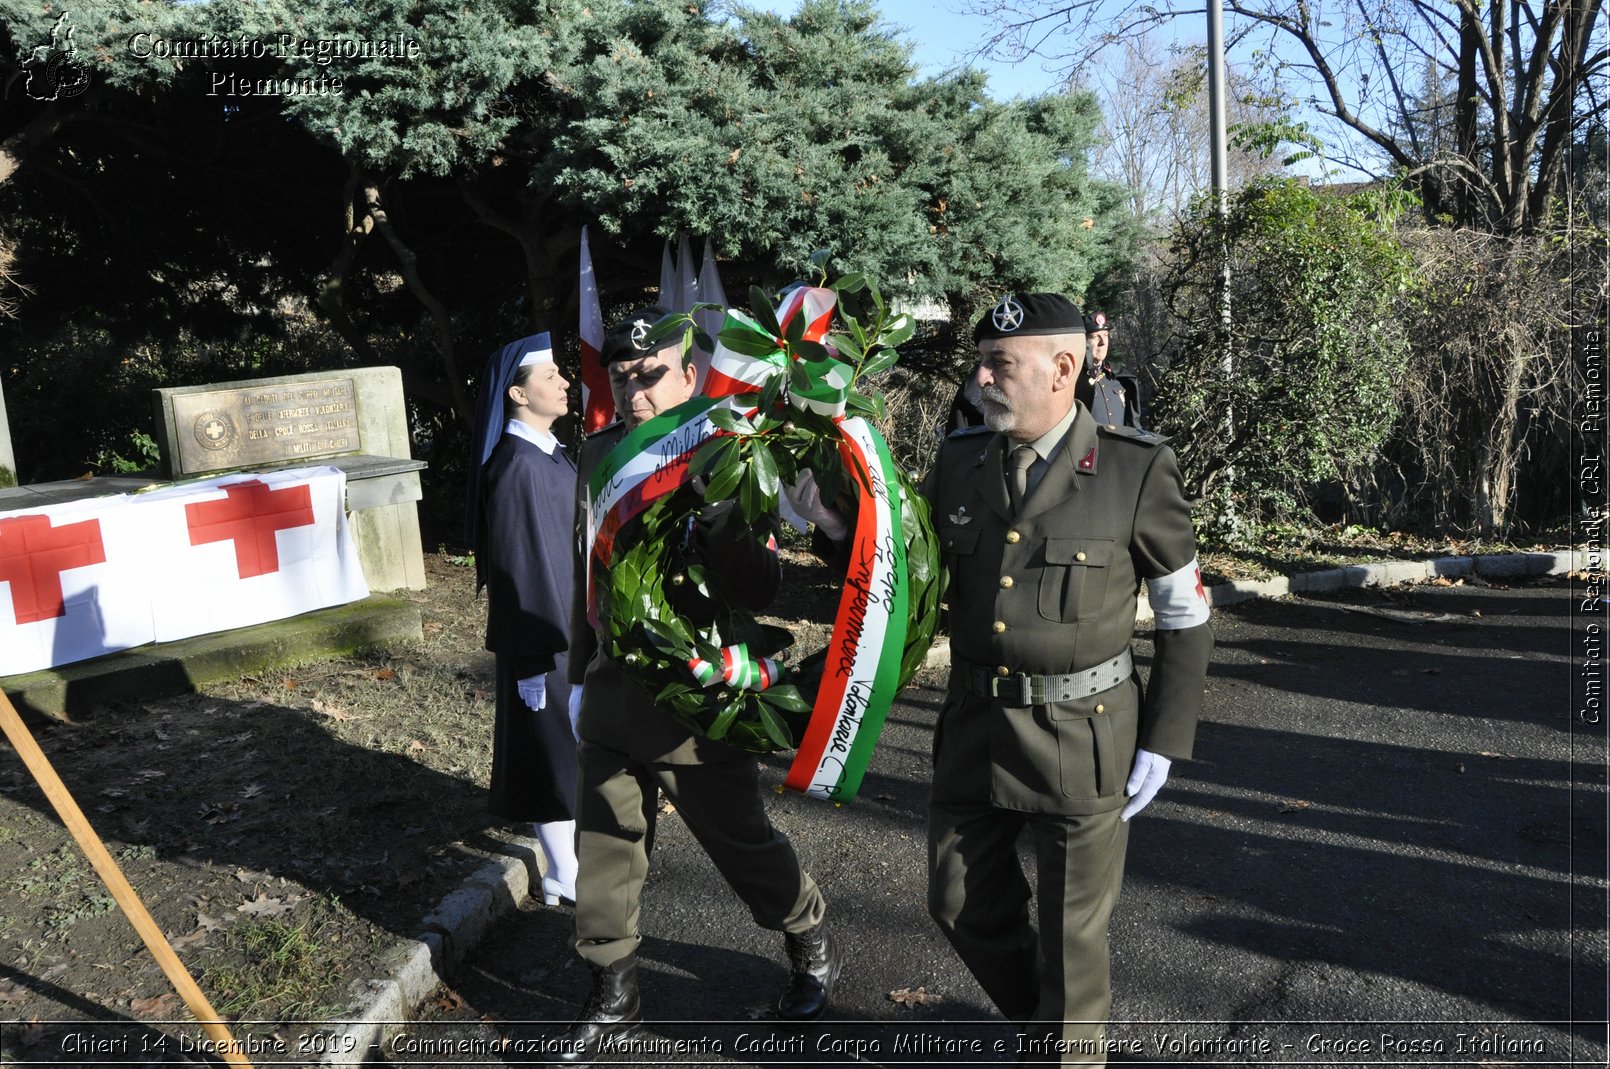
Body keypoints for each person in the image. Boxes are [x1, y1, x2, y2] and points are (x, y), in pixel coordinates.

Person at [923, 293, 1213, 1066]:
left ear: (1062, 367)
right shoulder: (959, 460)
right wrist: (827, 515)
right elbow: (902, 572)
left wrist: (1164, 738)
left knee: (1071, 938)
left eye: (999, 364)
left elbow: (1184, 612)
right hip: (976, 729)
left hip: (1084, 736)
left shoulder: (1133, 467)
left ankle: (1065, 1044)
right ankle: (1046, 1026)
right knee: (956, 900)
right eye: (981, 362)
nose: (981, 377)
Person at [552, 307, 844, 1063]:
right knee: (605, 843)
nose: (636, 393)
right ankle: (613, 988)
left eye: (650, 376)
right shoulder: (602, 455)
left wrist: (724, 520)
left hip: (698, 692)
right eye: (622, 379)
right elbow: (592, 573)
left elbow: (764, 581)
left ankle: (806, 934)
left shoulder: (728, 446)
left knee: (739, 838)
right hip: (614, 688)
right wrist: (581, 670)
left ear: (689, 373)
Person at [465, 332, 580, 907]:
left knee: (562, 748)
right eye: (550, 376)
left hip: (566, 628)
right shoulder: (516, 468)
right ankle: (564, 872)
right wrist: (535, 657)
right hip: (542, 633)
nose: (564, 382)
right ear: (516, 392)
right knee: (547, 750)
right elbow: (520, 570)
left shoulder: (546, 454)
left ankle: (569, 867)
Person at [1074, 309, 1142, 429]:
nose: (1103, 342)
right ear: (1084, 341)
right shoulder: (1073, 379)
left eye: (1105, 335)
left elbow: (1132, 423)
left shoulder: (1119, 377)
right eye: (1096, 337)